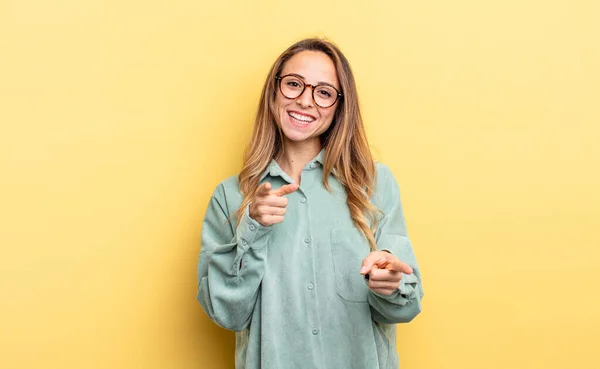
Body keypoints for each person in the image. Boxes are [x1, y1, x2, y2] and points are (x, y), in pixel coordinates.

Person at [197, 38, 423, 369]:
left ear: (338, 106)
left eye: (324, 92)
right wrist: (253, 228)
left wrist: (389, 284)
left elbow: (406, 307)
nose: (305, 100)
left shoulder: (374, 185)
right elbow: (226, 314)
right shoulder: (231, 196)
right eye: (293, 84)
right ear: (274, 91)